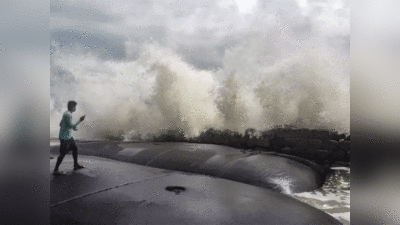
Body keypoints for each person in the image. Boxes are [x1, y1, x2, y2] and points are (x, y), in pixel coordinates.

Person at [53, 101, 86, 175]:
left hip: (68, 137)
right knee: (63, 153)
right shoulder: (68, 115)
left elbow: (61, 124)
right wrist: (80, 120)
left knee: (75, 148)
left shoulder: (66, 113)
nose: (75, 108)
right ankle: (56, 170)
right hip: (65, 138)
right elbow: (70, 125)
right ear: (72, 107)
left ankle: (76, 165)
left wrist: (71, 127)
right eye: (75, 107)